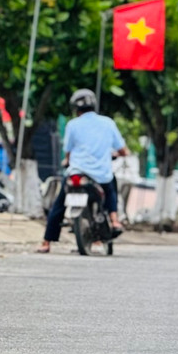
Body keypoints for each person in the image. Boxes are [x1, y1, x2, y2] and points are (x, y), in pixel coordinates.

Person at [38, 89, 128, 253]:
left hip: (77, 172)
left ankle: (46, 242)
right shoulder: (108, 122)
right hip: (101, 174)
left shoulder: (72, 124)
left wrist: (67, 160)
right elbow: (122, 149)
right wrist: (119, 154)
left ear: (75, 108)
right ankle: (114, 220)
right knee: (110, 189)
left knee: (59, 204)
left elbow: (68, 150)